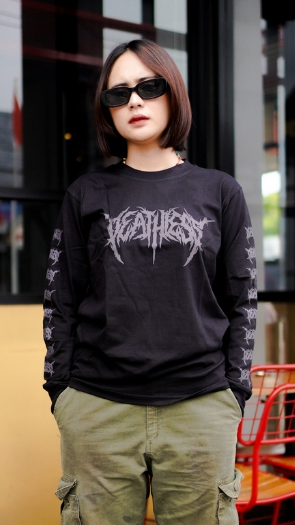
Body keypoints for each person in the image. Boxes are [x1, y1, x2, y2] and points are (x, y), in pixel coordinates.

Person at [43, 39, 256, 525]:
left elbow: (242, 299)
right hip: (98, 407)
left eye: (148, 87)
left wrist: (234, 391)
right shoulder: (87, 194)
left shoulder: (220, 191)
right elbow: (60, 300)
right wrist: (62, 392)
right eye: (118, 94)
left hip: (200, 406)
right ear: (108, 110)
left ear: (172, 92)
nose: (134, 101)